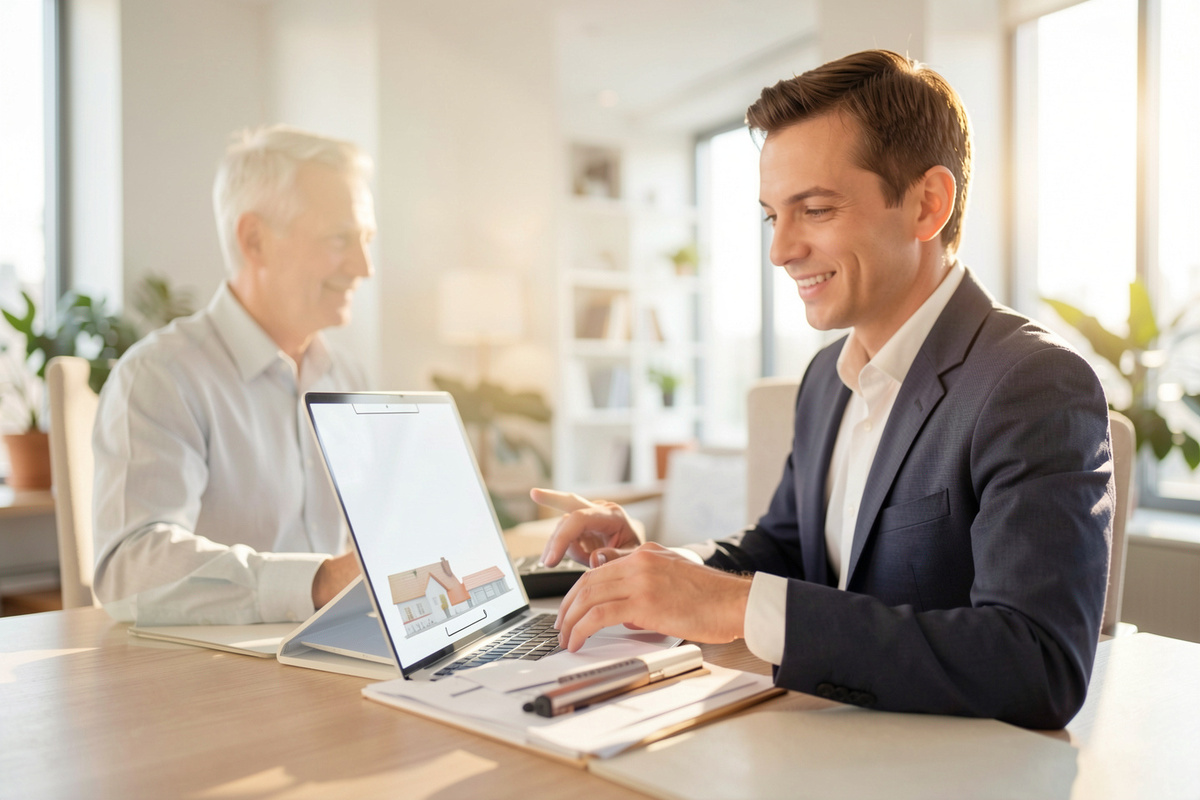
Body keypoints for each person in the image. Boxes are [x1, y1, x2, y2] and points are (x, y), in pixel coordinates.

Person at [535, 50, 1113, 730]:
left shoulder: (1030, 384)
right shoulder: (824, 379)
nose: (780, 250)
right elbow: (785, 549)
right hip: (818, 741)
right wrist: (661, 568)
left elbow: (1038, 664)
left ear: (928, 204)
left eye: (813, 209)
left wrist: (730, 607)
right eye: (770, 216)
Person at [92, 125, 375, 625]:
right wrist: (317, 582)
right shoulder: (162, 376)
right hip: (213, 684)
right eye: (340, 239)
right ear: (255, 240)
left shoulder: (348, 375)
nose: (364, 266)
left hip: (338, 656)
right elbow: (128, 567)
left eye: (366, 240)